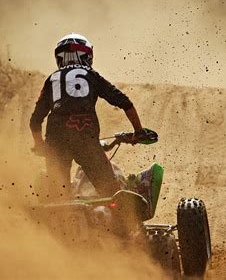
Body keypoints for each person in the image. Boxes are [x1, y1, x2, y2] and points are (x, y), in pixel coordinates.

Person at [29, 33, 147, 200]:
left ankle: (52, 223)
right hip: (85, 137)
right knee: (111, 194)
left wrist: (40, 145)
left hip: (56, 139)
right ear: (87, 55)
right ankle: (122, 223)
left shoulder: (52, 79)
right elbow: (125, 102)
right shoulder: (91, 75)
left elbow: (35, 121)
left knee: (57, 197)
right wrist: (138, 130)